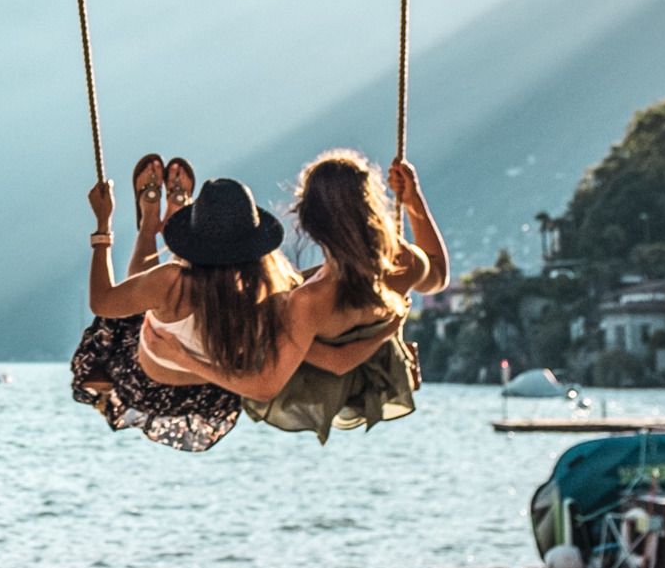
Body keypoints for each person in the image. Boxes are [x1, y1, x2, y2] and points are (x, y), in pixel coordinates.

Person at [69, 164, 401, 452]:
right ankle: (166, 214)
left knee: (134, 310)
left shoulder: (171, 281)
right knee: (150, 299)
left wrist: (102, 227)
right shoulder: (273, 293)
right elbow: (335, 361)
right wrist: (388, 328)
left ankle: (150, 223)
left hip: (152, 383)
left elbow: (102, 302)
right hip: (215, 394)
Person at [239, 150, 449, 441]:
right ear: (372, 208)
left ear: (309, 221)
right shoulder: (401, 265)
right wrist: (414, 201)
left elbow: (336, 363)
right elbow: (437, 276)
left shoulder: (309, 300)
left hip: (314, 392)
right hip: (373, 384)